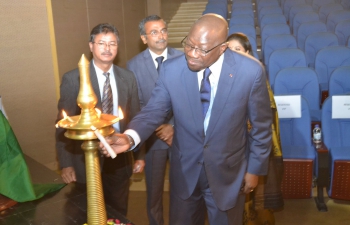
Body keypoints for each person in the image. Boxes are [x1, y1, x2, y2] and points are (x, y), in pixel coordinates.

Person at [100, 14, 272, 225]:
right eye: (188, 44)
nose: (191, 54)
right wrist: (130, 137)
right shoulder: (172, 69)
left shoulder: (250, 72)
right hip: (185, 173)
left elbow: (261, 128)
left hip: (228, 174)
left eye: (201, 49)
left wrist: (254, 170)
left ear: (222, 48)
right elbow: (154, 110)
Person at [55, 23, 145, 216]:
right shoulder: (74, 79)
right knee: (88, 211)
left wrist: (139, 155)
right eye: (101, 43)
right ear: (91, 46)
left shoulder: (128, 78)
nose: (107, 48)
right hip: (84, 156)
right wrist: (66, 163)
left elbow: (136, 117)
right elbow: (63, 124)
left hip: (119, 155)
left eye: (112, 43)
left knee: (119, 209)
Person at [126, 15, 183, 225]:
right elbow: (138, 107)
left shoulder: (184, 58)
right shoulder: (133, 66)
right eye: (154, 32)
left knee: (184, 191)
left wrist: (173, 126)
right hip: (152, 141)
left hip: (181, 137)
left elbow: (190, 100)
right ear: (144, 38)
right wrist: (160, 128)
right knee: (154, 195)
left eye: (163, 30)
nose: (161, 35)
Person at [226, 33, 284, 225]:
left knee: (254, 191)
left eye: (238, 49)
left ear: (248, 52)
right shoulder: (223, 75)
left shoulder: (257, 74)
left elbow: (267, 114)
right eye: (229, 50)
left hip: (254, 143)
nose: (233, 54)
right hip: (232, 145)